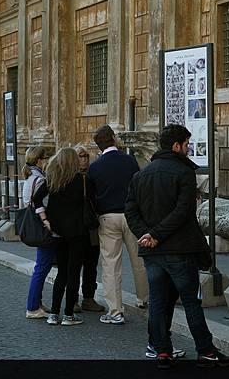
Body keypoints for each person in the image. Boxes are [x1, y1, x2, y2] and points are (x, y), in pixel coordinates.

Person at [125, 124, 229, 369]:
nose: (188, 149)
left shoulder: (140, 174)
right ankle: (205, 351)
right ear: (176, 146)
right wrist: (155, 234)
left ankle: (162, 351)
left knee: (157, 301)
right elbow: (183, 211)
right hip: (179, 249)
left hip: (152, 250)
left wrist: (146, 235)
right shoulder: (183, 172)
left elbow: (130, 211)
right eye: (186, 144)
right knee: (191, 302)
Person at [87, 125, 149, 325]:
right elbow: (139, 187)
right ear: (113, 138)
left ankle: (115, 311)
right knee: (139, 260)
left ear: (98, 145)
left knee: (111, 264)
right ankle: (144, 299)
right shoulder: (129, 161)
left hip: (107, 217)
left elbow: (91, 195)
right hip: (131, 215)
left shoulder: (94, 167)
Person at [32, 147, 87, 326]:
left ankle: (54, 313)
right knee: (74, 273)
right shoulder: (80, 179)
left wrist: (45, 219)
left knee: (61, 273)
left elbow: (36, 199)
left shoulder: (52, 179)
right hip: (77, 231)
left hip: (57, 231)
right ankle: (69, 314)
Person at [71, 145, 105, 313]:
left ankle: (89, 298)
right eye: (80, 156)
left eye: (85, 156)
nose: (83, 159)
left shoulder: (93, 175)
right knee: (74, 265)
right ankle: (73, 300)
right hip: (74, 227)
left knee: (91, 264)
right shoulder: (68, 177)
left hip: (91, 226)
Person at [23, 146, 54, 319]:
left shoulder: (30, 177)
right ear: (40, 161)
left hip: (36, 225)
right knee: (42, 267)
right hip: (42, 226)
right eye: (46, 158)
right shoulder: (40, 180)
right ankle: (33, 307)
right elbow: (39, 203)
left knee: (41, 266)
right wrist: (46, 221)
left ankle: (37, 303)